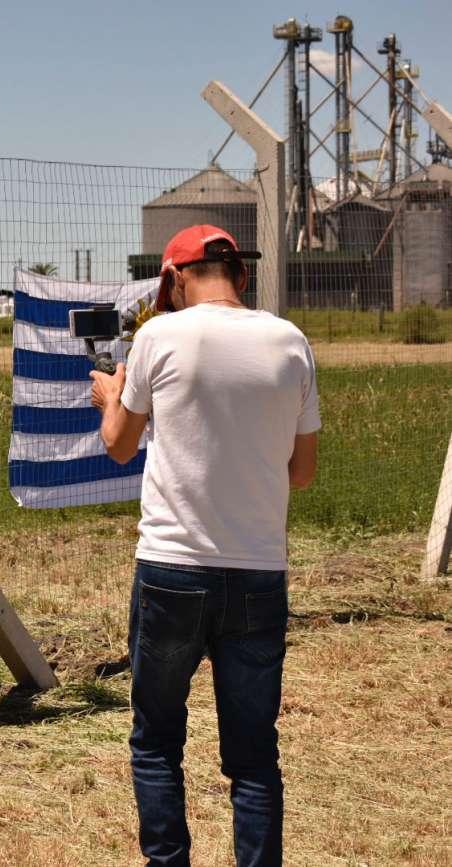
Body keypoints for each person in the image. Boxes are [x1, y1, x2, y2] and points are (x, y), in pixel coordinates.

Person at [89, 224, 319, 866]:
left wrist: (111, 397)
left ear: (172, 279)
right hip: (258, 569)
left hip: (173, 566)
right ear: (241, 274)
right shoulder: (290, 341)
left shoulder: (159, 336)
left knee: (157, 740)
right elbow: (303, 472)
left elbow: (119, 445)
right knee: (253, 755)